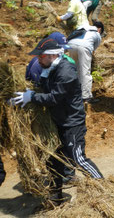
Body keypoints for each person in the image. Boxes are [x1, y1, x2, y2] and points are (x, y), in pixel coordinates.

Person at [11, 37, 103, 205]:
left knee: (78, 158)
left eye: (41, 56)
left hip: (71, 122)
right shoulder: (50, 69)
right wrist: (24, 96)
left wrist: (32, 97)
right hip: (58, 121)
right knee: (53, 160)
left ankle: (103, 187)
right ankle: (56, 197)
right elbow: (43, 90)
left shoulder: (65, 71)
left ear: (52, 55)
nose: (38, 59)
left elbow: (54, 98)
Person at [67, 22, 104, 103]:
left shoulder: (84, 27)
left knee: (75, 69)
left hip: (71, 45)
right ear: (100, 29)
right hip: (83, 47)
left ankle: (73, 92)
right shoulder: (97, 34)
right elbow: (92, 50)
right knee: (85, 72)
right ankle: (86, 96)